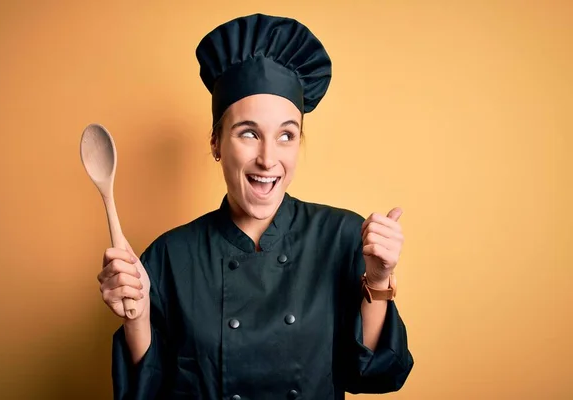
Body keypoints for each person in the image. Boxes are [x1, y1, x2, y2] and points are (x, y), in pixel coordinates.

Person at [98, 13, 414, 400]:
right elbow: (146, 392)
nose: (268, 158)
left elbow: (373, 377)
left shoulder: (344, 236)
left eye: (286, 135)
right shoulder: (168, 257)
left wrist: (379, 281)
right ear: (215, 143)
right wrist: (138, 316)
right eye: (248, 133)